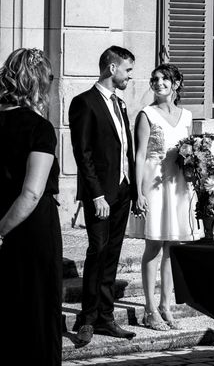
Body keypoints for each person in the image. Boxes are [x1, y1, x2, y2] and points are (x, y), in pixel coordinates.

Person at [126, 63, 203, 330]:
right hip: (154, 183)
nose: (158, 83)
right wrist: (137, 192)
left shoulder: (187, 115)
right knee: (154, 245)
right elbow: (139, 155)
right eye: (155, 79)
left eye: (164, 79)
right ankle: (149, 310)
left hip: (179, 184)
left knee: (173, 246)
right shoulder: (146, 114)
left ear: (176, 84)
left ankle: (165, 305)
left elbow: (193, 151)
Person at [69, 46, 137, 345]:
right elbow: (82, 154)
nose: (129, 76)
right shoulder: (84, 102)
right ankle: (87, 318)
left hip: (123, 191)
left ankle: (106, 318)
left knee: (113, 253)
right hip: (101, 194)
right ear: (112, 68)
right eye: (127, 70)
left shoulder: (120, 105)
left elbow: (125, 150)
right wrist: (96, 195)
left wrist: (133, 189)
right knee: (97, 252)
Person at [0, 48, 62, 365]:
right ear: (39, 83)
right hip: (30, 229)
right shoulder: (39, 129)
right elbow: (31, 193)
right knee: (37, 309)